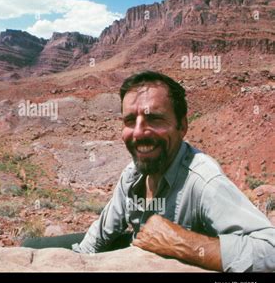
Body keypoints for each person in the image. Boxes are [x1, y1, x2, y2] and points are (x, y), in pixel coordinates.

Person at [22, 71, 274, 272]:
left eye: (154, 119)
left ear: (182, 126)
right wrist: (77, 262)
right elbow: (100, 235)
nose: (139, 133)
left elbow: (270, 250)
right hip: (135, 250)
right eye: (130, 121)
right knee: (29, 248)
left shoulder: (204, 182)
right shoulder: (132, 175)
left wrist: (182, 243)